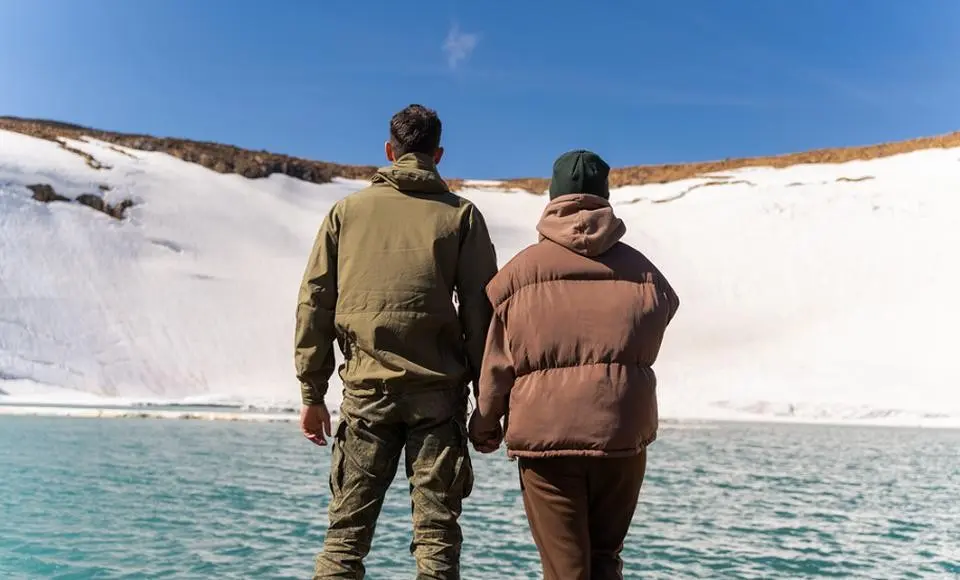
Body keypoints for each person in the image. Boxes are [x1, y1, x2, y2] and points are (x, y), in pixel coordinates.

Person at [294, 104, 499, 579]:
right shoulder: (462, 216)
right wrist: (487, 402)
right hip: (438, 398)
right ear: (438, 154)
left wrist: (311, 393)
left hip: (366, 396)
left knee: (344, 541)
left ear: (390, 150)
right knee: (436, 543)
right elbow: (479, 313)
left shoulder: (346, 213)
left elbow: (314, 305)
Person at [468, 150, 680, 580]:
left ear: (552, 196)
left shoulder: (516, 275)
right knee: (605, 561)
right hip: (621, 433)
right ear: (605, 196)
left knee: (565, 569)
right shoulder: (646, 273)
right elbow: (662, 315)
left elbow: (496, 365)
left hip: (547, 439)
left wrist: (485, 424)